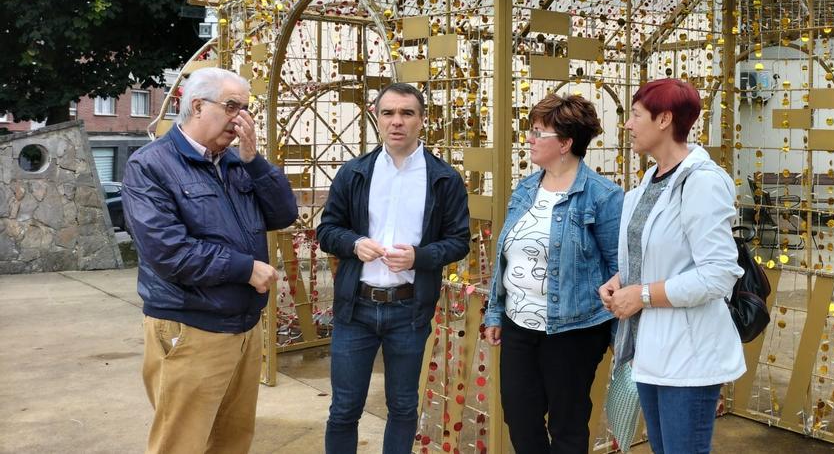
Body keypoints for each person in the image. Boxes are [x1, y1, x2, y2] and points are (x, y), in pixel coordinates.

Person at [123, 67, 298, 454]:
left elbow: (284, 214)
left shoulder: (236, 163)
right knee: (181, 443)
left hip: (243, 328)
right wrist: (245, 268)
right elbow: (169, 252)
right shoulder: (150, 165)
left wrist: (255, 162)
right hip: (191, 327)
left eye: (246, 109)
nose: (241, 119)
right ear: (197, 106)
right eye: (232, 106)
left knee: (232, 441)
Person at [317, 82, 470, 453]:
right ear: (376, 117)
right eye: (388, 113)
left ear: (422, 120)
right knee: (344, 409)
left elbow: (459, 240)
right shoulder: (354, 173)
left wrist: (420, 257)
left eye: (406, 113)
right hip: (356, 308)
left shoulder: (443, 178)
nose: (396, 121)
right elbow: (326, 230)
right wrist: (354, 244)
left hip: (409, 310)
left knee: (402, 408)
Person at [599, 78, 744, 454]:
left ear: (664, 120)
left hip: (688, 356)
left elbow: (718, 273)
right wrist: (620, 282)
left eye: (635, 115)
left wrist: (642, 295)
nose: (627, 124)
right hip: (649, 349)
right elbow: (653, 254)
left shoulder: (703, 183)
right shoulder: (651, 180)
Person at [483, 94, 623, 453]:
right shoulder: (526, 188)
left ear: (565, 143)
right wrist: (496, 311)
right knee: (519, 417)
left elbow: (618, 269)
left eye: (538, 132)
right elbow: (506, 256)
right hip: (518, 326)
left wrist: (619, 335)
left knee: (568, 423)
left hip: (573, 332)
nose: (529, 138)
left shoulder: (603, 196)